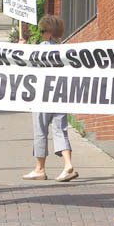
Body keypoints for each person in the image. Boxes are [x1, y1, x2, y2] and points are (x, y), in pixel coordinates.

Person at [21, 15, 79, 182]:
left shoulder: (42, 48)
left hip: (42, 95)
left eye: (42, 31)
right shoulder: (63, 51)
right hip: (60, 94)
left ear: (48, 32)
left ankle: (40, 168)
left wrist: (23, 49)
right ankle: (68, 164)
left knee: (40, 131)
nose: (40, 34)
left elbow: (28, 65)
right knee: (60, 130)